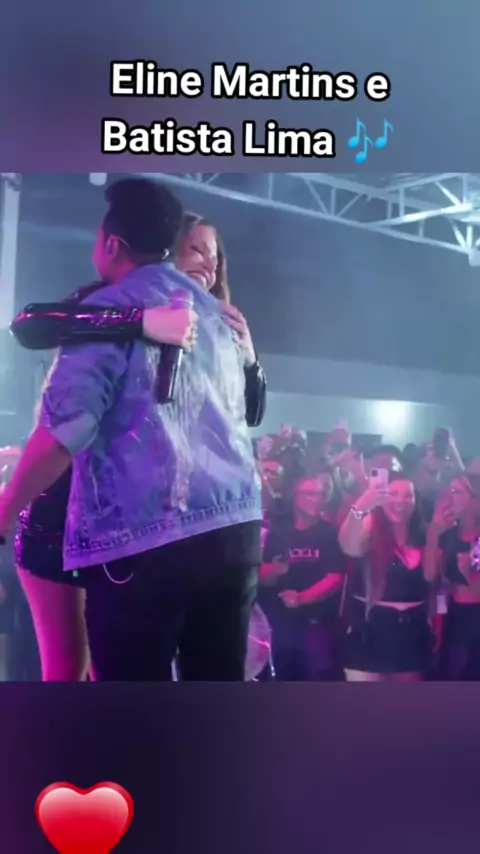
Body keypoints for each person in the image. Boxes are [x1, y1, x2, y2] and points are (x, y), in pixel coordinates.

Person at [1, 176, 264, 681]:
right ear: (170, 245)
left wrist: (4, 509)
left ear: (111, 244)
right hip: (228, 531)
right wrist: (138, 322)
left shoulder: (133, 305)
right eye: (197, 248)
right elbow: (34, 324)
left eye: (213, 254)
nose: (207, 263)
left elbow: (66, 430)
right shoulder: (208, 316)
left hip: (144, 534)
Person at [339, 473, 432, 682]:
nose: (400, 501)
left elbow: (432, 580)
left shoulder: (422, 533)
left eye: (408, 495)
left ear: (416, 500)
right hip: (370, 630)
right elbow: (348, 546)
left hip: (412, 632)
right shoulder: (369, 525)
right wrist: (361, 506)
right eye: (393, 493)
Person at [259, 471, 345, 680]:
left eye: (320, 494)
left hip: (317, 623)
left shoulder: (331, 532)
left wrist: (302, 598)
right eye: (309, 493)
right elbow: (261, 576)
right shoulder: (277, 530)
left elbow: (335, 578)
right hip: (278, 623)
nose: (316, 499)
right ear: (295, 496)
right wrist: (274, 571)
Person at [425, 476, 480, 679]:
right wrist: (433, 533)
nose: (450, 497)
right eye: (449, 491)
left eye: (457, 492)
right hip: (452, 615)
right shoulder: (449, 535)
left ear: (475, 499)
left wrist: (467, 573)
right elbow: (430, 575)